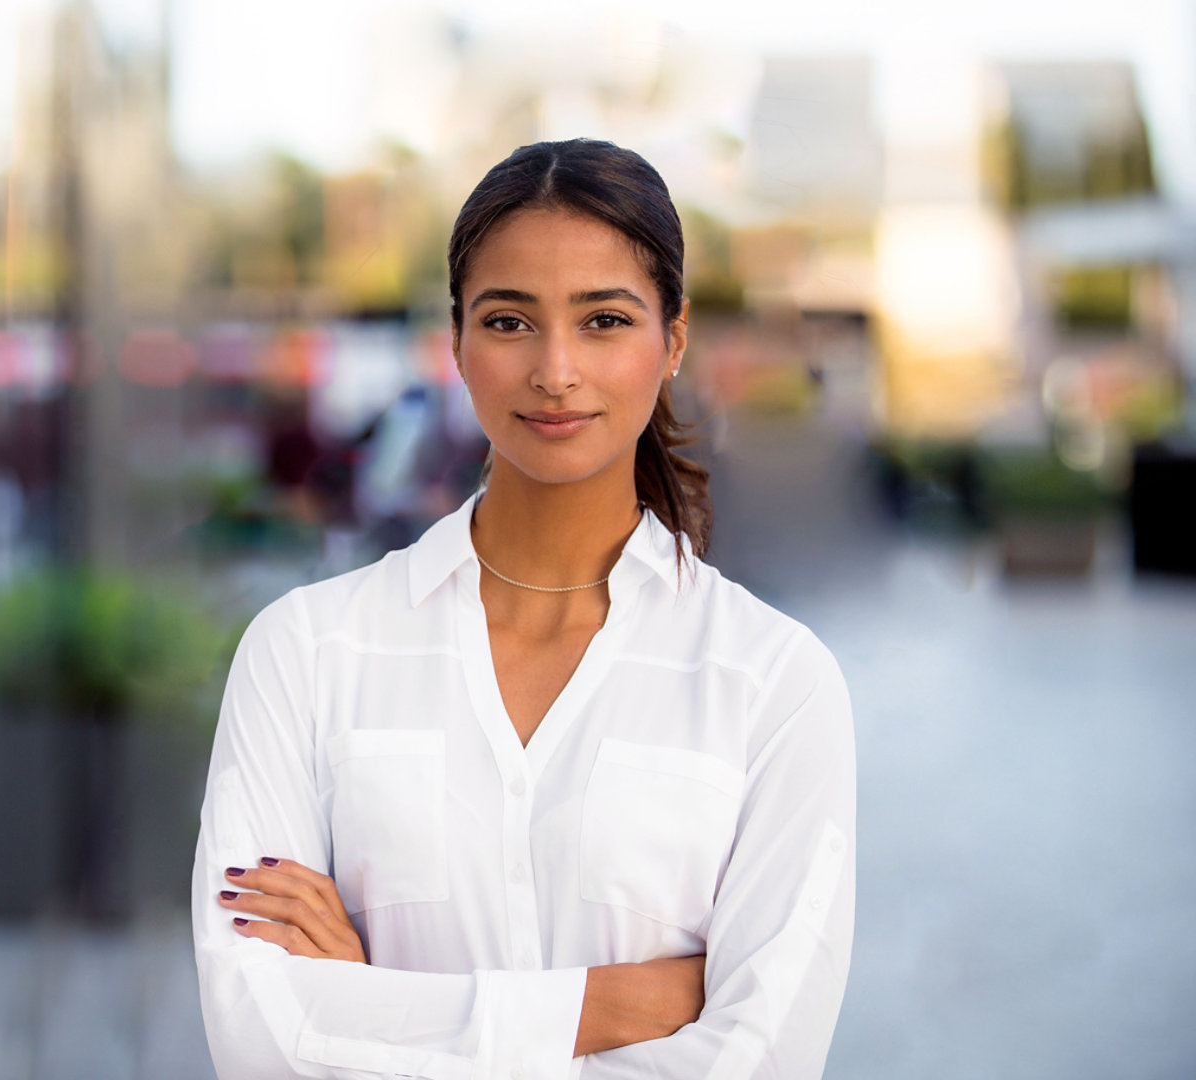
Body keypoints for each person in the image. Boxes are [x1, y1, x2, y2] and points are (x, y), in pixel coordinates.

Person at [191, 138, 855, 1079]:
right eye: (509, 322)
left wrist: (374, 1002)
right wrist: (605, 1004)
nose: (554, 370)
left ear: (672, 341)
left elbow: (762, 1060)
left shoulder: (774, 683)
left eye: (604, 320)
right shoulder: (305, 652)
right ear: (455, 341)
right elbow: (259, 1039)